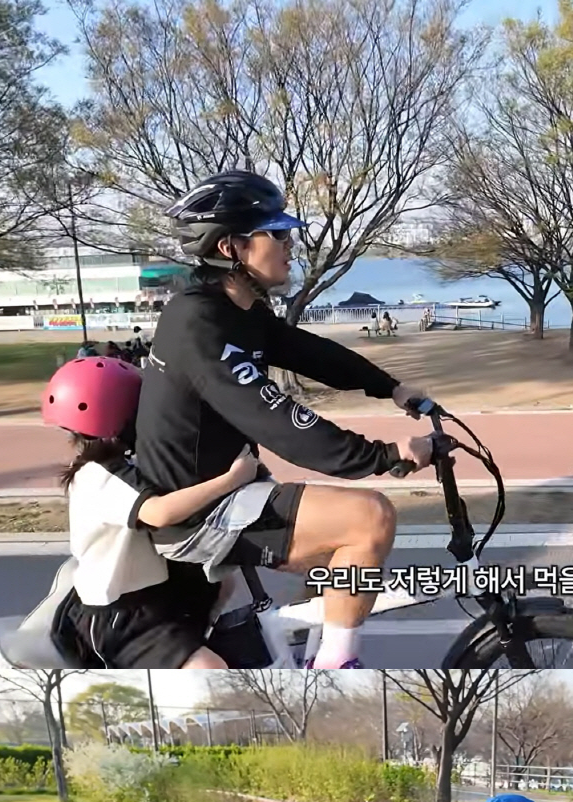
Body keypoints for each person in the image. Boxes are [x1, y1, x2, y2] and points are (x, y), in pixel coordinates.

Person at [134, 172, 435, 674]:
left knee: (340, 557)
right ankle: (336, 669)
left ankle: (307, 654)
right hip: (197, 510)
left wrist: (392, 388)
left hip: (230, 489)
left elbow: (309, 352)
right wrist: (383, 457)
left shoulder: (241, 310)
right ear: (232, 247)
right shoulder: (198, 322)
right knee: (369, 517)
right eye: (276, 233)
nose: (291, 244)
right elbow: (278, 420)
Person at [37, 353, 309, 677]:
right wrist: (231, 479)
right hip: (118, 614)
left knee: (221, 582)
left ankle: (190, 643)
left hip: (155, 591)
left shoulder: (129, 462)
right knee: (210, 669)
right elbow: (159, 512)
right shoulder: (99, 474)